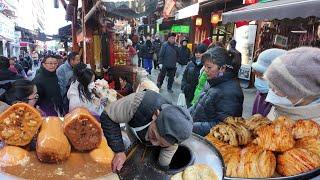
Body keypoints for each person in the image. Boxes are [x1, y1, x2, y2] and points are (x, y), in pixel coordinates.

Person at [100, 90, 193, 172]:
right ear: (155, 115)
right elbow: (108, 116)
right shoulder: (137, 103)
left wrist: (162, 169)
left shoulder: (174, 138)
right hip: (135, 125)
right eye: (154, 135)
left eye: (161, 144)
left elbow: (167, 152)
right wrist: (119, 151)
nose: (153, 143)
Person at [190, 46, 244, 136]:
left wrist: (191, 126)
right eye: (205, 66)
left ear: (222, 68)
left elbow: (224, 127)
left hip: (210, 144)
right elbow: (199, 106)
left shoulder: (230, 93)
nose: (205, 70)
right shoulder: (215, 82)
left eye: (209, 67)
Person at [264, 47, 320, 123]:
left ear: (303, 94)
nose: (272, 91)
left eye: (279, 88)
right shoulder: (280, 109)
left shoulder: (314, 129)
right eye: (271, 85)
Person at [251, 48, 286, 116]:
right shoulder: (261, 94)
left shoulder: (287, 103)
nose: (258, 79)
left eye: (262, 76)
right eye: (256, 75)